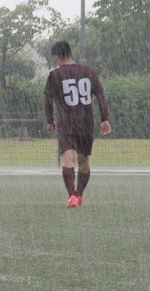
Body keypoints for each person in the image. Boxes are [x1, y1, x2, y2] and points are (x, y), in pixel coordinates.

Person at [44, 40, 111, 208]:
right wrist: (105, 119)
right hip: (86, 123)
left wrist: (50, 121)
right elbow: (100, 95)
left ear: (55, 57)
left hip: (67, 124)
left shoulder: (55, 75)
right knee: (84, 162)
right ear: (71, 53)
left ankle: (72, 195)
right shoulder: (88, 72)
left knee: (68, 159)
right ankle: (78, 194)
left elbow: (48, 100)